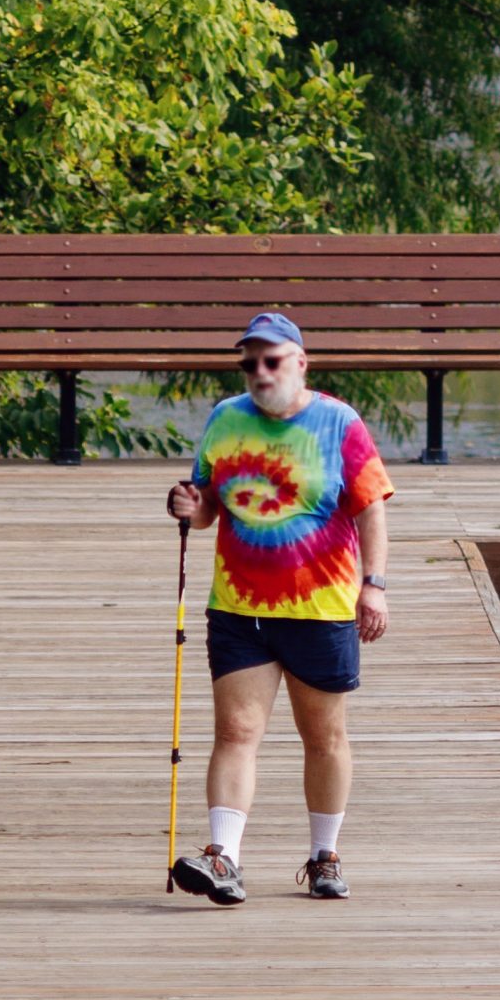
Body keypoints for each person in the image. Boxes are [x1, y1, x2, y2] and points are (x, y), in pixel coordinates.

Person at [166, 312, 394, 905]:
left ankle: (325, 856)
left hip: (320, 605)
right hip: (239, 605)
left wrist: (375, 586)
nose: (259, 372)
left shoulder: (339, 423)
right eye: (249, 363)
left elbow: (370, 509)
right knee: (236, 731)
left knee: (323, 737)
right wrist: (189, 505)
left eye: (271, 361)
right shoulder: (224, 419)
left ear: (299, 362)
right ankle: (224, 859)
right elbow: (210, 504)